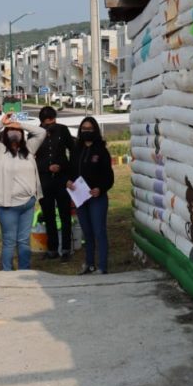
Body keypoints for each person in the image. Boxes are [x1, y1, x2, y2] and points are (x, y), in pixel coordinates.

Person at [0, 111, 45, 271]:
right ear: (5, 134)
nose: (14, 132)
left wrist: (21, 125)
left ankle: (24, 271)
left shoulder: (29, 148)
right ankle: (7, 272)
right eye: (11, 131)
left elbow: (42, 132)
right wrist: (2, 123)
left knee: (24, 240)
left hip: (27, 203)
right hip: (7, 206)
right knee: (9, 241)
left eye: (17, 131)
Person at [69, 117, 114, 275]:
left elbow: (109, 177)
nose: (86, 131)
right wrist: (68, 181)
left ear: (95, 130)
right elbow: (71, 171)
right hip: (80, 198)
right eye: (83, 129)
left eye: (89, 129)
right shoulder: (76, 150)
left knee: (99, 231)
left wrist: (100, 189)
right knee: (86, 232)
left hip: (97, 198)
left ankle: (102, 266)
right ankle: (89, 264)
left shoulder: (101, 151)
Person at [35, 106, 75, 261]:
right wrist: (46, 167)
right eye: (47, 124)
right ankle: (52, 248)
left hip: (62, 178)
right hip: (44, 179)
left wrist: (65, 169)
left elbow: (73, 150)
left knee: (65, 214)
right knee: (48, 214)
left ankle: (66, 249)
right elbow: (30, 158)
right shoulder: (35, 134)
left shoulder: (63, 130)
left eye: (53, 122)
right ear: (42, 123)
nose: (51, 126)